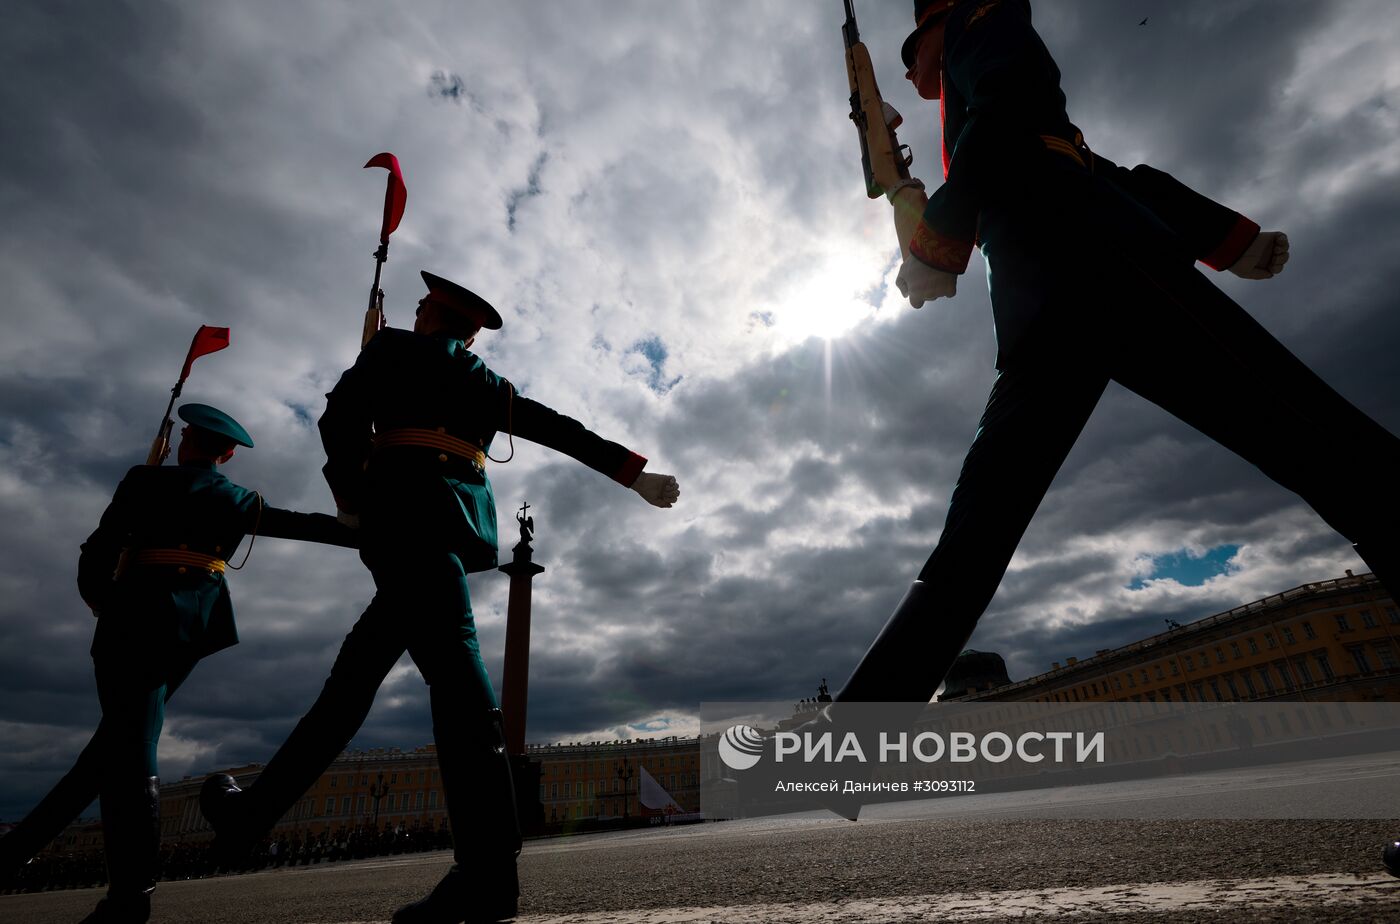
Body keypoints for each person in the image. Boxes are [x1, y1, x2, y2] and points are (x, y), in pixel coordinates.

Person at [833, 0, 1400, 845]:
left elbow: (1040, 138)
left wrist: (937, 240)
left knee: (1330, 454)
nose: (913, 75)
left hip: (1099, 269)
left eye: (916, 53)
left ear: (942, 28)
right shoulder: (972, 102)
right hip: (1062, 295)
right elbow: (1080, 160)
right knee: (1326, 455)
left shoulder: (988, 33)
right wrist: (915, 200)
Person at [201, 271, 681, 923]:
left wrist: (350, 501)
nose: (417, 308)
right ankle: (248, 816)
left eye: (423, 304)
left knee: (454, 688)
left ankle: (486, 874)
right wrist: (633, 475)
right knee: (350, 687)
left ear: (431, 316)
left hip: (403, 522)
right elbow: (556, 427)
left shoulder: (390, 349)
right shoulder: (485, 381)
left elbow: (337, 419)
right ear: (471, 330)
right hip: (451, 524)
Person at [0, 404, 357, 922]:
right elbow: (305, 526)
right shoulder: (238, 498)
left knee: (129, 746)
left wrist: (103, 599)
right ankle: (16, 852)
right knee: (116, 745)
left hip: (135, 615)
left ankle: (131, 896)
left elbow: (98, 548)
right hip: (194, 626)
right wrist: (369, 529)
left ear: (183, 440)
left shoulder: (143, 481)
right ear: (228, 454)